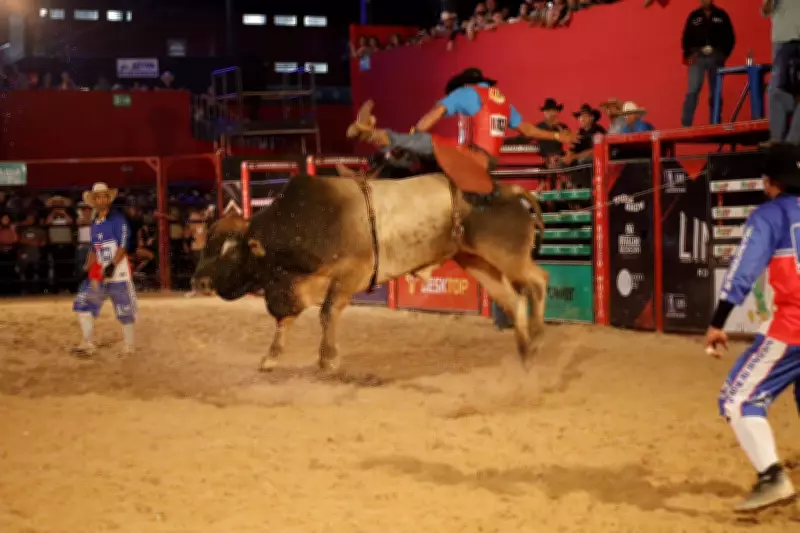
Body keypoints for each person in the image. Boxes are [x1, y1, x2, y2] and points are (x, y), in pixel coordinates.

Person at [705, 143, 800, 513]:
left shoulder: (770, 216)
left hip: (793, 327)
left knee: (738, 399)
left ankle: (772, 478)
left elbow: (743, 271)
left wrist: (718, 323)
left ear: (770, 181)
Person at [346, 68, 572, 176]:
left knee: (421, 142)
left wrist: (415, 133)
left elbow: (433, 116)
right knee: (417, 151)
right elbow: (527, 129)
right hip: (489, 161)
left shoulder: (465, 93)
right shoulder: (503, 102)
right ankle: (379, 163)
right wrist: (556, 136)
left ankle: (368, 133)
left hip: (467, 156)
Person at [71, 183, 137, 357]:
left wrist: (113, 265)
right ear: (94, 201)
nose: (101, 200)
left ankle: (129, 346)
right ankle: (88, 342)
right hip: (101, 273)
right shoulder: (95, 223)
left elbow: (122, 246)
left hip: (119, 273)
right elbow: (94, 249)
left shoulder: (118, 220)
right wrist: (86, 268)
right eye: (98, 197)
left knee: (124, 310)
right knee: (84, 305)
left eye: (104, 196)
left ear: (108, 199)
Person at [761, 0, 800, 146]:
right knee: (776, 90)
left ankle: (792, 142)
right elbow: (765, 11)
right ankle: (776, 139)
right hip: (783, 40)